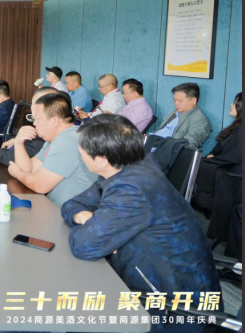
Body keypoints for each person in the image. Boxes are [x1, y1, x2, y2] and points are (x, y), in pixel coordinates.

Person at [61, 115, 220, 321]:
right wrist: (83, 217)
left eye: (82, 148)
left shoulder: (132, 187)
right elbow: (72, 204)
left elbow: (84, 245)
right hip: (143, 276)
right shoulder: (126, 165)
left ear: (102, 159)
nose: (80, 151)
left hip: (172, 305)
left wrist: (100, 232)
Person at [7, 93, 98, 208]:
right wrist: (18, 143)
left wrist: (17, 173)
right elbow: (29, 170)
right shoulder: (56, 138)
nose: (34, 123)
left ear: (54, 121)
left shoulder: (68, 141)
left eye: (38, 119)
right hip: (54, 208)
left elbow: (40, 185)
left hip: (67, 215)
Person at [193, 92, 241, 256]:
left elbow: (234, 156)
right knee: (197, 166)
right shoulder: (237, 126)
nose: (231, 105)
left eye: (235, 103)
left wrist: (213, 160)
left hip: (234, 175)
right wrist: (213, 155)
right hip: (227, 168)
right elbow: (220, 147)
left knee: (196, 169)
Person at [0, 87, 55, 165]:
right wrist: (16, 140)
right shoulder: (45, 129)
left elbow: (12, 159)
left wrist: (0, 152)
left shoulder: (46, 137)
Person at [153, 82, 211, 149]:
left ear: (193, 101)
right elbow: (159, 130)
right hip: (152, 144)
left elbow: (188, 144)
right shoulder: (173, 113)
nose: (176, 104)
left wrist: (159, 143)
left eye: (180, 101)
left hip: (164, 150)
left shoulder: (200, 121)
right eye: (174, 100)